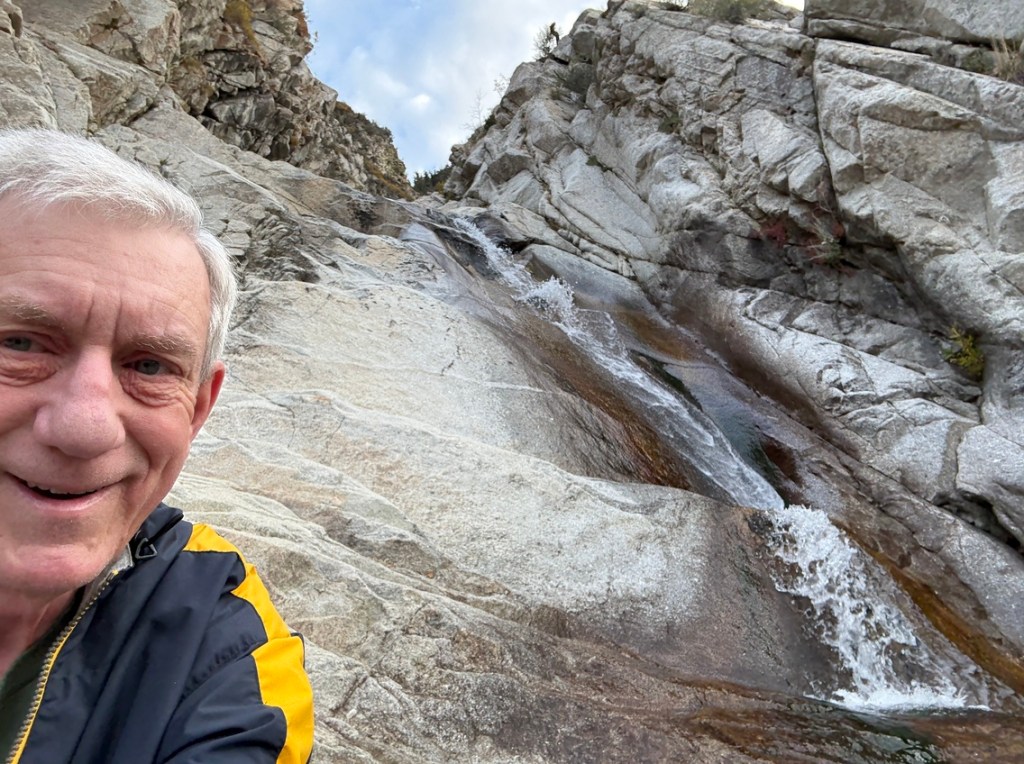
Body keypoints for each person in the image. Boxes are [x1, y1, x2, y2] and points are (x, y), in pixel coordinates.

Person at [0, 128, 314, 763]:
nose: (86, 428)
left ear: (198, 407)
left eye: (149, 367)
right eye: (22, 343)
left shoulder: (225, 634)